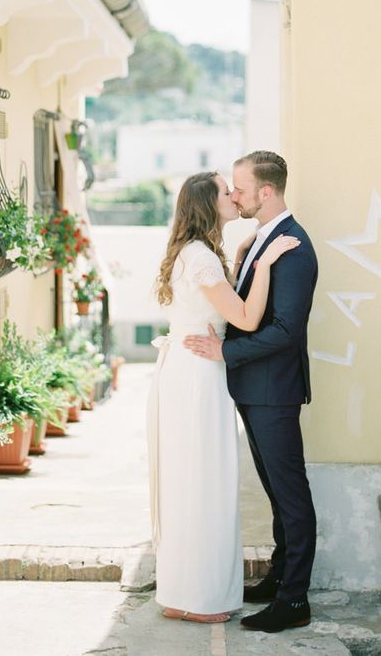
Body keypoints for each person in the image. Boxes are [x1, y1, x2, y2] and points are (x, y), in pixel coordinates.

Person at [147, 170, 300, 624]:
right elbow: (248, 319)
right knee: (205, 483)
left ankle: (181, 593)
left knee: (187, 481)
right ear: (208, 204)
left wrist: (236, 260)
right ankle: (203, 598)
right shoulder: (202, 258)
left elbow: (211, 304)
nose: (234, 195)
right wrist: (265, 264)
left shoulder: (196, 253)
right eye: (224, 190)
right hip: (200, 374)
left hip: (186, 368)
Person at [183, 151, 318, 633]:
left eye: (240, 188)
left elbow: (285, 330)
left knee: (291, 495)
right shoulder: (261, 240)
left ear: (266, 192)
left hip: (273, 391)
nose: (234, 195)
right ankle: (279, 579)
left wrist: (226, 353)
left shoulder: (295, 247)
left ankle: (294, 601)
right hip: (254, 389)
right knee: (277, 495)